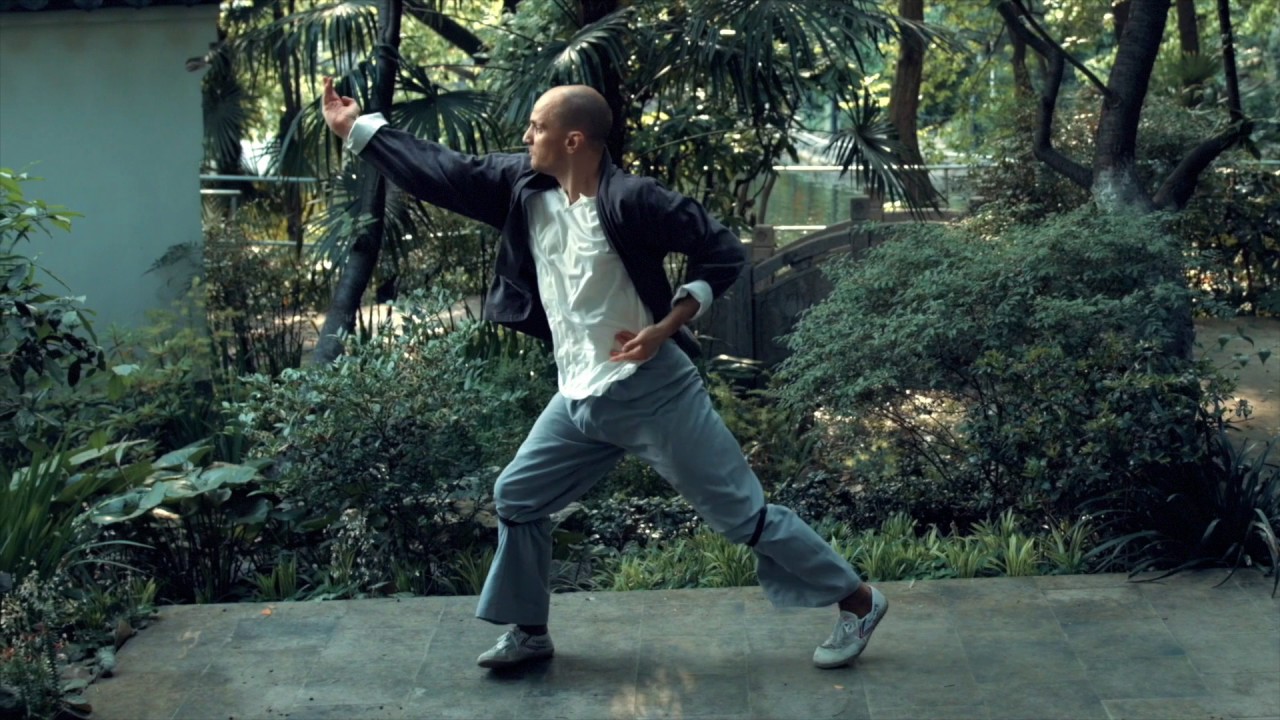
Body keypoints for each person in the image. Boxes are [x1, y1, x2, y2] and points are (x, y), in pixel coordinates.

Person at [321, 78, 888, 670]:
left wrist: (666, 326)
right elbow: (443, 170)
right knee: (517, 496)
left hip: (654, 392)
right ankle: (529, 632)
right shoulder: (521, 187)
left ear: (573, 139)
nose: (526, 135)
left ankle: (860, 600)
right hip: (580, 395)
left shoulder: (634, 200)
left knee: (742, 517)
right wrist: (356, 128)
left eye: (537, 126)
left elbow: (722, 252)